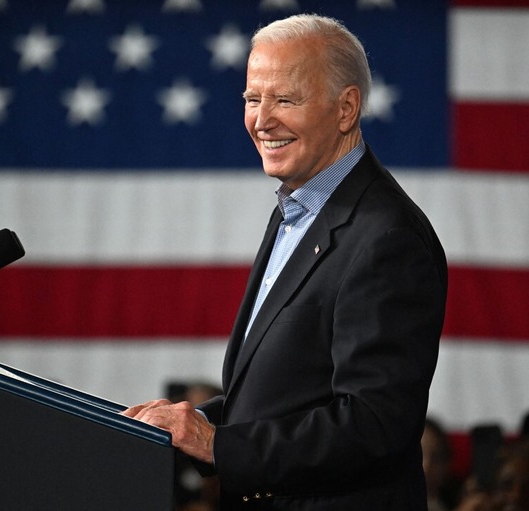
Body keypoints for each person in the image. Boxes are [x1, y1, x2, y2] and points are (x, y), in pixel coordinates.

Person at [124, 13, 448, 510]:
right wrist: (188, 424)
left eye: (285, 100)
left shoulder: (386, 237)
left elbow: (373, 424)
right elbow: (283, 396)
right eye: (253, 99)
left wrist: (216, 444)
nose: (262, 120)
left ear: (346, 108)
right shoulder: (299, 209)